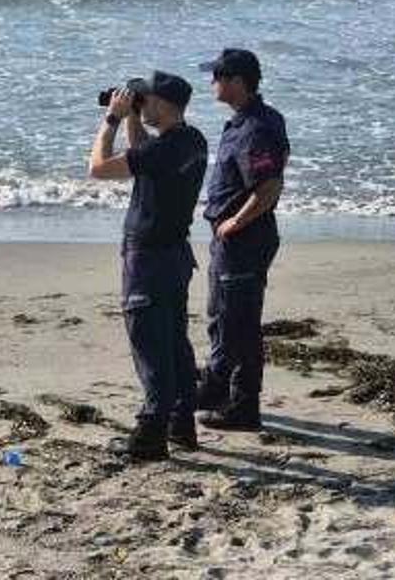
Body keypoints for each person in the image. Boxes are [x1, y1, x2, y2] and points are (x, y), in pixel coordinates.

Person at [88, 70, 208, 460]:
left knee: (149, 344)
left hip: (149, 257)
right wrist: (134, 118)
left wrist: (111, 120)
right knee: (174, 340)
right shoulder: (190, 141)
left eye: (146, 100)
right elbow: (143, 158)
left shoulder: (164, 149)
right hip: (174, 255)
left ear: (164, 104)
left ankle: (151, 435)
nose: (141, 103)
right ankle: (180, 424)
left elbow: (100, 168)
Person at [196, 49, 290, 431]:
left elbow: (268, 185)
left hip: (244, 239)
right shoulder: (249, 121)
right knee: (239, 322)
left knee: (231, 321)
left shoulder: (255, 127)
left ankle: (218, 392)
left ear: (236, 80)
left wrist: (235, 220)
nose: (212, 82)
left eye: (217, 75)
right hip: (241, 237)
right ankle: (242, 405)